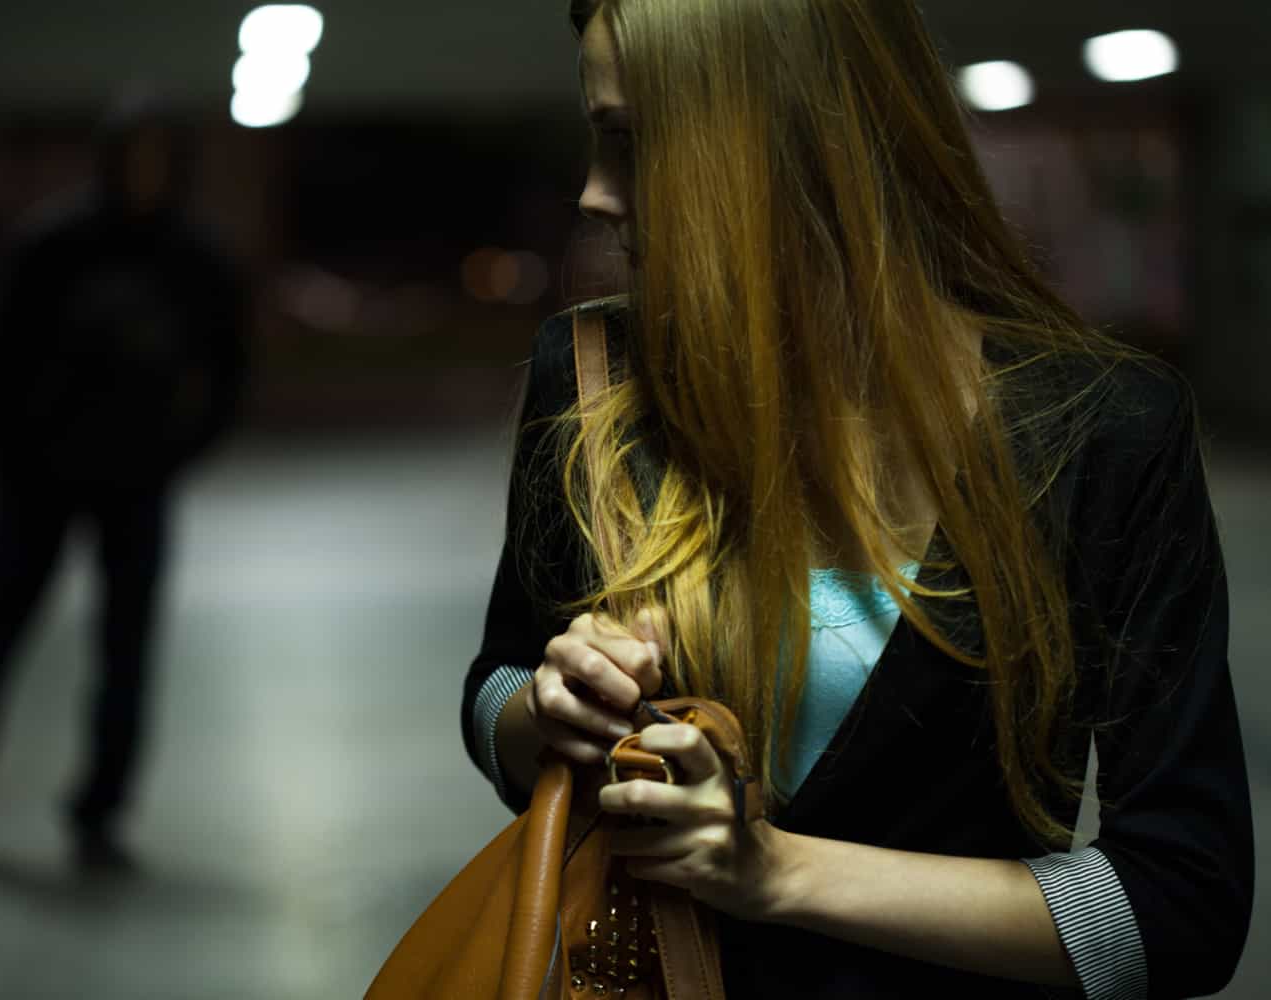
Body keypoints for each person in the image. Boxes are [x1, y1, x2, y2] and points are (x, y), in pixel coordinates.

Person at [461, 1, 1253, 996]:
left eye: (632, 145)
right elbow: (494, 684)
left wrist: (777, 873)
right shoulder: (591, 379)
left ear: (788, 149)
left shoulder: (1103, 431)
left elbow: (1180, 903)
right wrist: (548, 707)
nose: (593, 194)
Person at [0, 96, 245, 872]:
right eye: (134, 159)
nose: (145, 176)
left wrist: (181, 449)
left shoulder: (192, 257)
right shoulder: (52, 245)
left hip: (137, 482)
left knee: (125, 654)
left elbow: (228, 366)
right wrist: (11, 456)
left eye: (161, 162)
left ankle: (100, 810)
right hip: (37, 480)